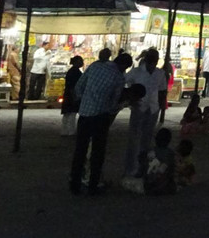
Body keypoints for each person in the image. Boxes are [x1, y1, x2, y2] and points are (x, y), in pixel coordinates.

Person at [69, 51, 133, 195]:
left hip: (84, 114)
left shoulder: (95, 66)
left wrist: (85, 100)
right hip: (100, 117)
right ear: (123, 66)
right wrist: (122, 105)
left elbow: (79, 87)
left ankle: (75, 183)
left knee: (80, 150)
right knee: (97, 153)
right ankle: (93, 185)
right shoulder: (118, 77)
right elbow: (113, 103)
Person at [123, 47, 168, 178]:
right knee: (133, 139)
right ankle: (131, 168)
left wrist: (160, 106)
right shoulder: (136, 72)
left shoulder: (160, 74)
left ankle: (142, 168)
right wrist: (131, 99)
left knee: (146, 139)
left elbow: (162, 91)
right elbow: (124, 82)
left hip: (153, 108)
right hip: (139, 107)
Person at [143, 128, 177, 195]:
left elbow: (144, 167)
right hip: (163, 183)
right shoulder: (170, 153)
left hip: (150, 183)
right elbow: (171, 170)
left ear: (156, 139)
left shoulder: (150, 151)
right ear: (168, 141)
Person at [60, 56, 85, 136]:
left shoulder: (72, 71)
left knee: (67, 113)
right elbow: (73, 85)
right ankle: (71, 131)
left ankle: (64, 131)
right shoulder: (75, 72)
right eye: (81, 61)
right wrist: (75, 95)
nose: (82, 63)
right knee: (72, 113)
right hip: (72, 94)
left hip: (68, 93)